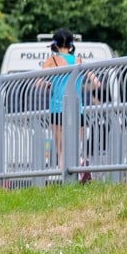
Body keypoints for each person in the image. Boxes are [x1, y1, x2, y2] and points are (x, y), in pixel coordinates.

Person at [39, 28, 100, 176]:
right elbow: (96, 83)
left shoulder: (52, 61)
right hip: (77, 110)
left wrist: (50, 85)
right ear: (71, 44)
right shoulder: (78, 61)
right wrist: (81, 87)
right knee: (74, 148)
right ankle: (80, 166)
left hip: (58, 109)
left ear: (54, 44)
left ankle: (67, 181)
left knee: (62, 151)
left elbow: (38, 83)